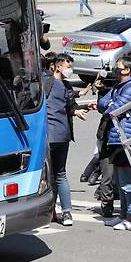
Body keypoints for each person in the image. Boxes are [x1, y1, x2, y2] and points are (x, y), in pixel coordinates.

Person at [94, 56, 131, 230]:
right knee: (120, 181)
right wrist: (109, 102)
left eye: (118, 67)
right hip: (116, 140)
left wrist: (109, 104)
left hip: (128, 140)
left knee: (128, 181)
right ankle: (123, 214)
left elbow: (112, 111)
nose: (115, 69)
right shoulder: (118, 87)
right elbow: (101, 105)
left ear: (127, 70)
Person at [43, 54, 90, 226]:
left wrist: (77, 110)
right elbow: (70, 107)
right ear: (57, 66)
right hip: (58, 135)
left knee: (52, 175)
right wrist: (76, 111)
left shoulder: (50, 83)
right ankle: (63, 212)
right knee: (59, 174)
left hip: (53, 136)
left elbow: (70, 107)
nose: (70, 70)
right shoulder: (53, 84)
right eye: (67, 66)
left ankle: (57, 211)